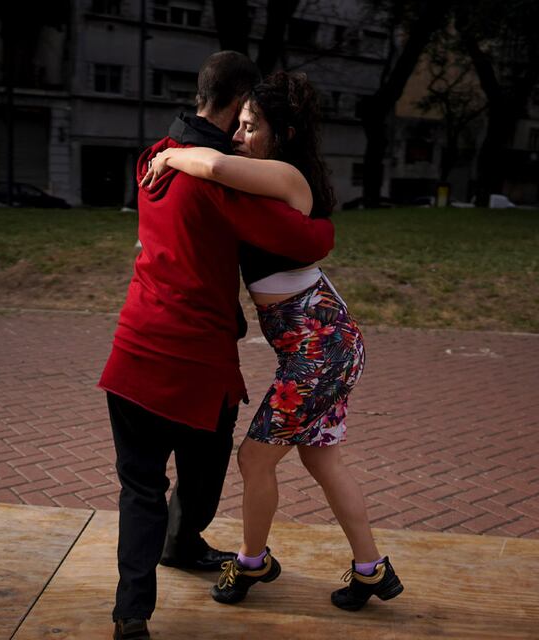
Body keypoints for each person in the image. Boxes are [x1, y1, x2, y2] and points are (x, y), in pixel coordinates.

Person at [98, 53, 336, 640]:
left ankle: (133, 612)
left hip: (130, 353)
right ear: (238, 105)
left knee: (140, 489)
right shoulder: (220, 183)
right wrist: (321, 222)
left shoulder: (152, 157)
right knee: (202, 475)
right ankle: (182, 541)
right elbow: (308, 239)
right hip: (196, 364)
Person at [145, 71, 403, 611]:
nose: (238, 136)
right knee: (322, 459)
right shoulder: (264, 179)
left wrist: (167, 156)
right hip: (325, 343)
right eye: (238, 124)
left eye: (251, 126)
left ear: (282, 133)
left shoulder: (287, 174)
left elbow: (215, 166)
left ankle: (250, 563)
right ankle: (371, 569)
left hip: (318, 348)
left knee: (254, 459)